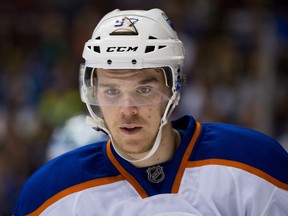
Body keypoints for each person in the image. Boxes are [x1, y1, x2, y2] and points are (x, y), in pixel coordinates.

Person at [14, 8, 288, 216]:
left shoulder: (255, 165)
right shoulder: (49, 196)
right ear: (92, 92)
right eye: (111, 91)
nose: (127, 110)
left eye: (143, 90)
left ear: (174, 88)